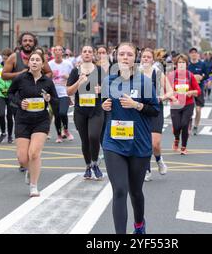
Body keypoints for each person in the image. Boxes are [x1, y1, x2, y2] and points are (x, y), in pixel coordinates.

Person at [101, 42, 159, 234]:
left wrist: (137, 105)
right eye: (122, 54)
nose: (125, 58)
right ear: (116, 57)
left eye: (129, 54)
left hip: (138, 144)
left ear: (135, 57)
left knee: (135, 192)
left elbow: (155, 110)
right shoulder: (108, 81)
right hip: (114, 142)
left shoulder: (144, 82)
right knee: (119, 190)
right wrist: (104, 105)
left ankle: (139, 224)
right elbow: (104, 104)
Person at [8, 51, 58, 197]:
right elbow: (10, 94)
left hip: (41, 121)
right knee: (22, 158)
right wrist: (19, 102)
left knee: (34, 153)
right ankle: (30, 170)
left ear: (42, 64)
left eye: (38, 60)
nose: (35, 62)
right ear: (28, 63)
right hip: (23, 120)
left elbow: (55, 101)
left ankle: (34, 185)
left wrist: (49, 99)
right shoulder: (20, 78)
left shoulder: (47, 82)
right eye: (32, 60)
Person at [2, 32, 52, 172]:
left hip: (36, 100)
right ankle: (24, 160)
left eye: (30, 40)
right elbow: (4, 74)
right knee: (22, 129)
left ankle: (31, 157)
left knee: (35, 133)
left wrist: (40, 79)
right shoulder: (14, 57)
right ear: (21, 42)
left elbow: (49, 73)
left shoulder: (39, 58)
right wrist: (21, 75)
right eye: (25, 40)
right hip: (18, 100)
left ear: (34, 42)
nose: (28, 43)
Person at [67, 46, 104, 180]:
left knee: (93, 136)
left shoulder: (99, 70)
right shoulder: (75, 71)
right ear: (81, 54)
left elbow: (108, 89)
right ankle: (88, 166)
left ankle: (95, 163)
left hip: (96, 110)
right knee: (85, 140)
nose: (87, 53)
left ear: (93, 54)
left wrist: (101, 90)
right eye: (85, 51)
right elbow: (69, 92)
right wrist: (78, 82)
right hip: (80, 111)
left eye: (90, 51)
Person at [140, 48, 174, 182]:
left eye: (149, 57)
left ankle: (159, 160)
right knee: (144, 143)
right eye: (144, 57)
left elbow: (171, 91)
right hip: (140, 110)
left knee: (155, 144)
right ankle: (147, 169)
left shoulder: (158, 73)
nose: (146, 59)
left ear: (153, 60)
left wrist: (162, 97)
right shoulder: (135, 73)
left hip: (155, 109)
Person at [168, 54, 201, 155]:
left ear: (186, 64)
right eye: (179, 62)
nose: (181, 64)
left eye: (183, 62)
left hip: (188, 104)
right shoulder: (171, 76)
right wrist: (173, 95)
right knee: (177, 126)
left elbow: (198, 90)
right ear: (176, 64)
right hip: (175, 104)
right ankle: (177, 139)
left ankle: (183, 147)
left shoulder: (190, 75)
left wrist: (191, 92)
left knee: (185, 124)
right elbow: (166, 90)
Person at [49, 45, 74, 143]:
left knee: (63, 113)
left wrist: (68, 77)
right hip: (54, 94)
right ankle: (59, 135)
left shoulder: (68, 64)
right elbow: (45, 78)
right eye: (56, 50)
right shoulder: (50, 64)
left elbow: (74, 77)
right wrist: (51, 76)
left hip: (64, 93)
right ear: (53, 52)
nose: (58, 52)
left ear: (62, 53)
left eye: (60, 50)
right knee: (57, 115)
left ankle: (66, 130)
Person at [0, 48, 14, 144]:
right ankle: (3, 132)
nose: (5, 60)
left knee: (9, 116)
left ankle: (9, 135)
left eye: (7, 58)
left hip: (10, 93)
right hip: (0, 93)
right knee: (1, 114)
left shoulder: (14, 68)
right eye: (4, 58)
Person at [188, 48, 206, 136]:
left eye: (195, 53)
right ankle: (189, 125)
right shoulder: (187, 65)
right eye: (192, 53)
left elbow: (208, 76)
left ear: (198, 54)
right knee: (189, 110)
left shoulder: (202, 64)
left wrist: (202, 78)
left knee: (198, 109)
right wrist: (193, 77)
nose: (194, 54)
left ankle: (196, 125)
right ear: (189, 55)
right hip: (189, 90)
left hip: (199, 89)